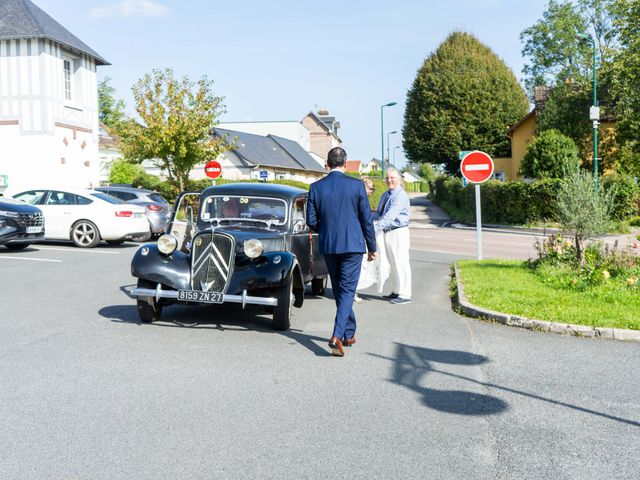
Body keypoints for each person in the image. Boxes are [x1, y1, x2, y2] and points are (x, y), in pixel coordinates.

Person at [307, 147, 377, 357]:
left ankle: (348, 333)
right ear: (345, 164)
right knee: (346, 290)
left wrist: (327, 230)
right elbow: (366, 219)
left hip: (329, 245)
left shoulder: (315, 187)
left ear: (327, 164)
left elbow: (311, 221)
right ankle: (337, 335)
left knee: (340, 289)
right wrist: (372, 247)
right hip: (353, 246)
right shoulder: (356, 186)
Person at [375, 167, 412, 304]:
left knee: (401, 263)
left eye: (392, 178)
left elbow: (389, 217)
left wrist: (373, 229)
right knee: (392, 263)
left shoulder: (400, 196)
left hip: (398, 232)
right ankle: (396, 291)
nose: (389, 180)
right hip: (387, 232)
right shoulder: (386, 195)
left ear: (399, 179)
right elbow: (379, 214)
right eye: (387, 178)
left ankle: (405, 294)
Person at [355, 178, 389, 301]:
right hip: (359, 236)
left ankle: (351, 291)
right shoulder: (361, 200)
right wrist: (372, 247)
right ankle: (352, 291)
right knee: (360, 265)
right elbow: (365, 220)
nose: (372, 192)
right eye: (371, 189)